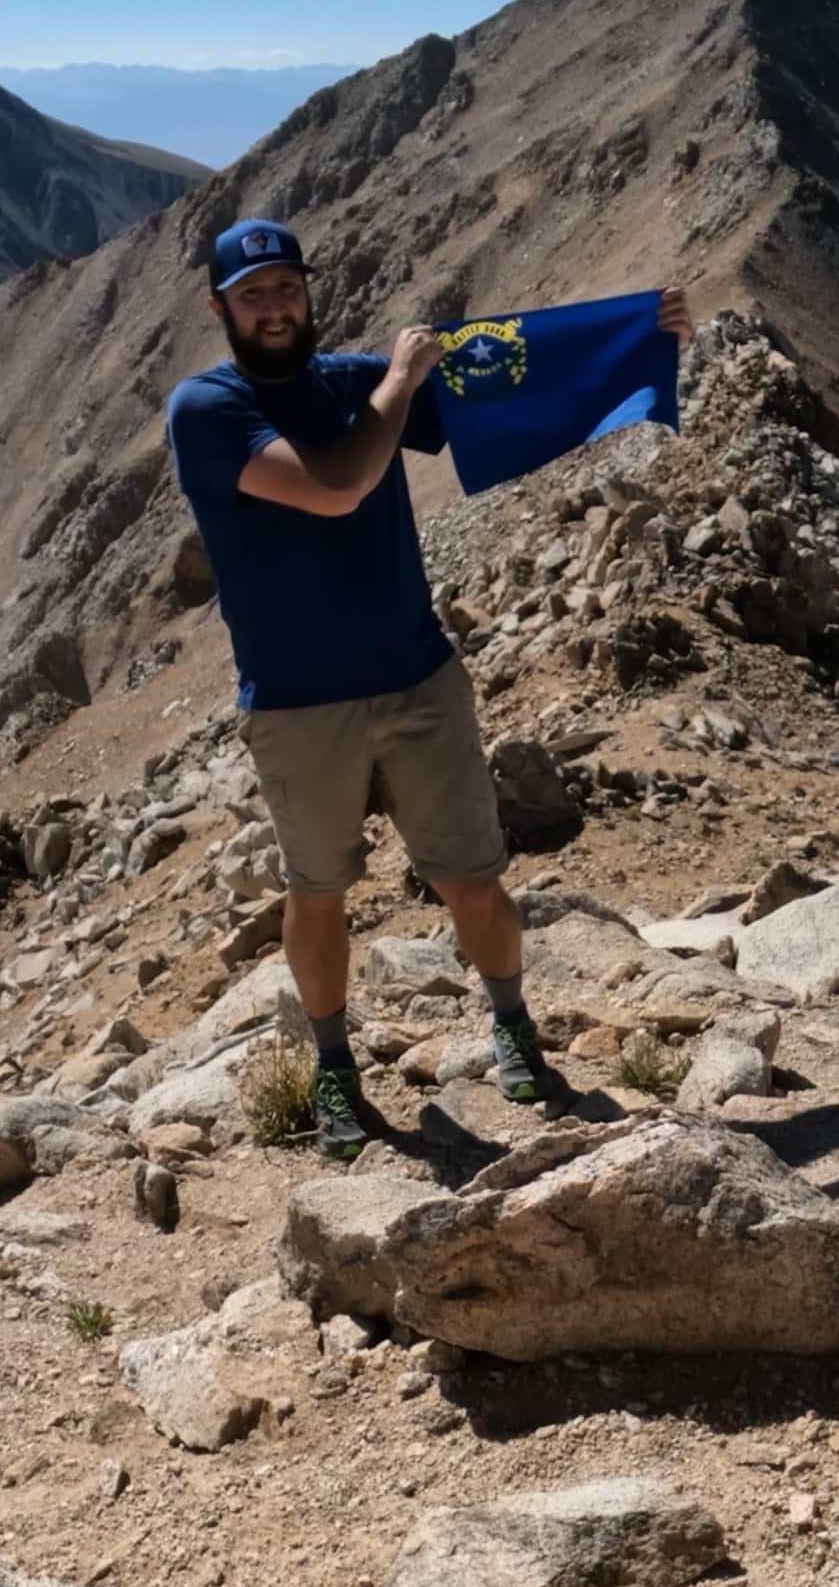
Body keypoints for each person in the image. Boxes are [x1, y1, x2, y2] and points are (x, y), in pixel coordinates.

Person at [164, 216, 687, 1158]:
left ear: (307, 290)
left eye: (286, 287)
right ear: (221, 309)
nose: (275, 307)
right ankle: (332, 1067)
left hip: (418, 681)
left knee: (472, 881)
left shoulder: (349, 380)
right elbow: (335, 486)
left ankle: (514, 1029)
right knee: (317, 891)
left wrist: (640, 337)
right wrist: (403, 382)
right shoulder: (207, 408)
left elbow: (508, 378)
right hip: (294, 704)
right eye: (253, 295)